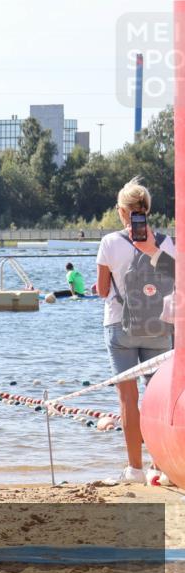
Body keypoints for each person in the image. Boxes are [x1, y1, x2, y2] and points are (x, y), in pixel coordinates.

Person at [96, 177, 176, 484]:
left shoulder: (110, 243)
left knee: (128, 399)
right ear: (147, 210)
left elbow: (103, 291)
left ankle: (135, 470)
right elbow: (177, 278)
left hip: (120, 326)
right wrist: (152, 250)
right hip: (159, 327)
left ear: (121, 211)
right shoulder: (166, 242)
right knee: (158, 397)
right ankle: (161, 468)